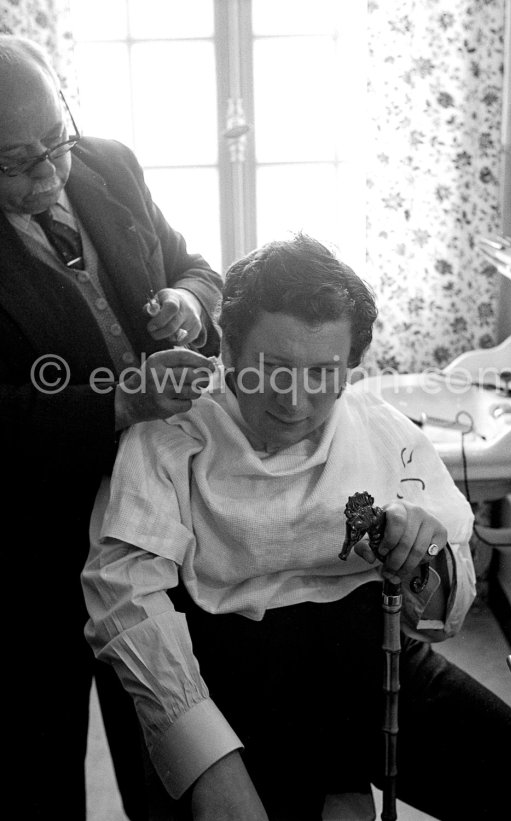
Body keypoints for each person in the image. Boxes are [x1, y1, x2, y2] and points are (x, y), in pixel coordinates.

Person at [83, 234, 511, 820]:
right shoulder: (171, 436)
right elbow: (125, 596)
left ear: (350, 368)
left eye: (322, 372)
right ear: (230, 351)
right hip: (231, 690)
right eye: (272, 368)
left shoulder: (379, 429)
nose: (294, 401)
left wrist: (423, 562)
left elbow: (447, 603)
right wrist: (208, 758)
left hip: (377, 666)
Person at [0, 35, 222, 821]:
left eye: (54, 143)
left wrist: (192, 305)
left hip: (158, 514)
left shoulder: (110, 164)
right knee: (36, 759)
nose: (46, 174)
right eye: (14, 161)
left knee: (168, 734)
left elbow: (195, 265)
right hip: (32, 542)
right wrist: (122, 402)